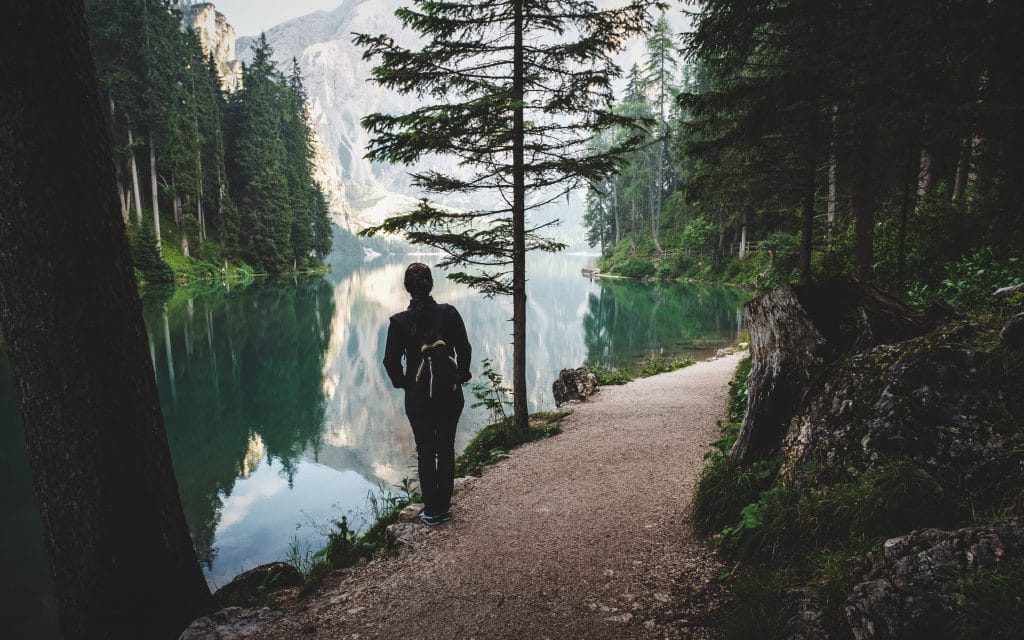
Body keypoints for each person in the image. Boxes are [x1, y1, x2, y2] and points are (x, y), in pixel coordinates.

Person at [383, 263, 472, 526]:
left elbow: (390, 362)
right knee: (445, 447)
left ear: (407, 288)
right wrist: (461, 376)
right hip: (449, 392)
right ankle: (443, 507)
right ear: (431, 284)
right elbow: (464, 349)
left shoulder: (399, 322)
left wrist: (404, 384)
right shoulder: (449, 313)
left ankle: (432, 510)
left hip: (418, 397)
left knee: (425, 450)